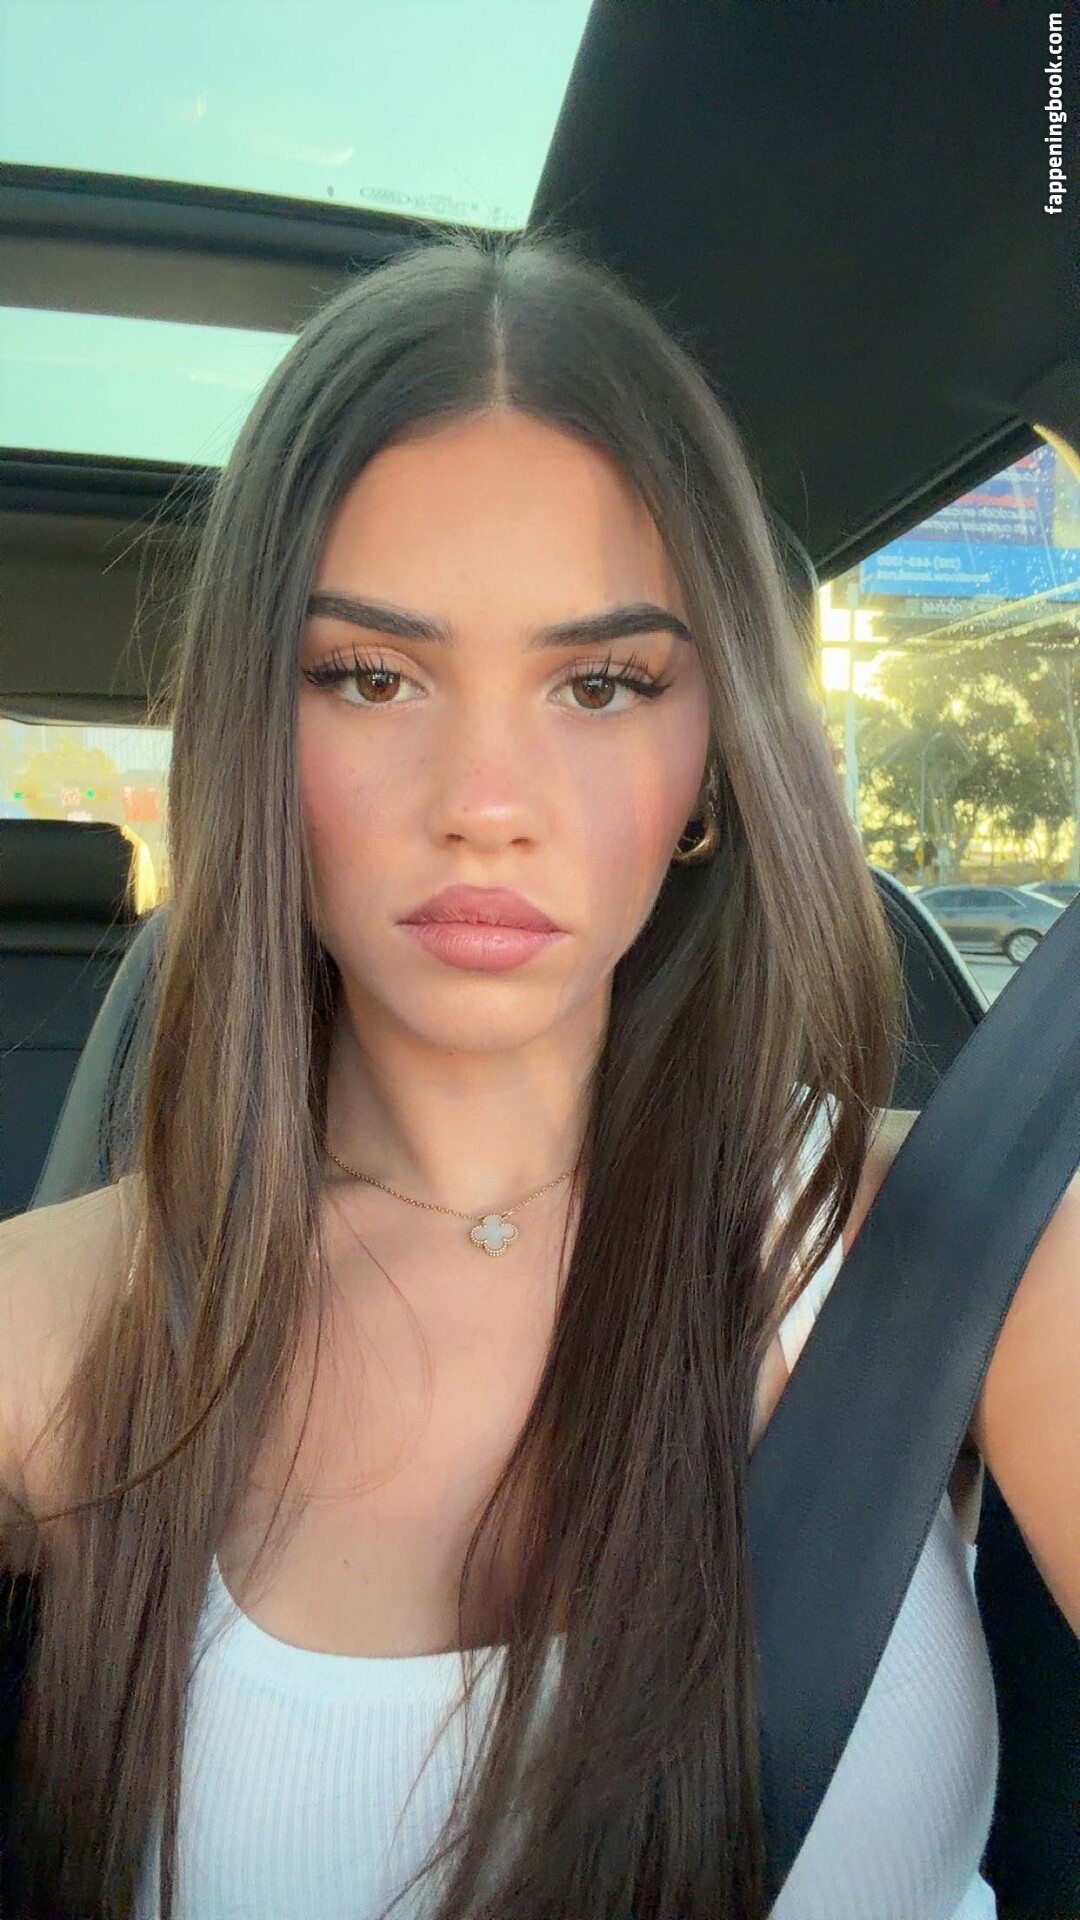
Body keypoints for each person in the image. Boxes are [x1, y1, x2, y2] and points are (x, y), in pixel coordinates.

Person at [1, 230, 1076, 1920]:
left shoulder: (960, 1252)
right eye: (372, 676)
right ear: (256, 732)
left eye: (600, 683)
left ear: (710, 757)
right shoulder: (51, 1334)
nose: (486, 800)